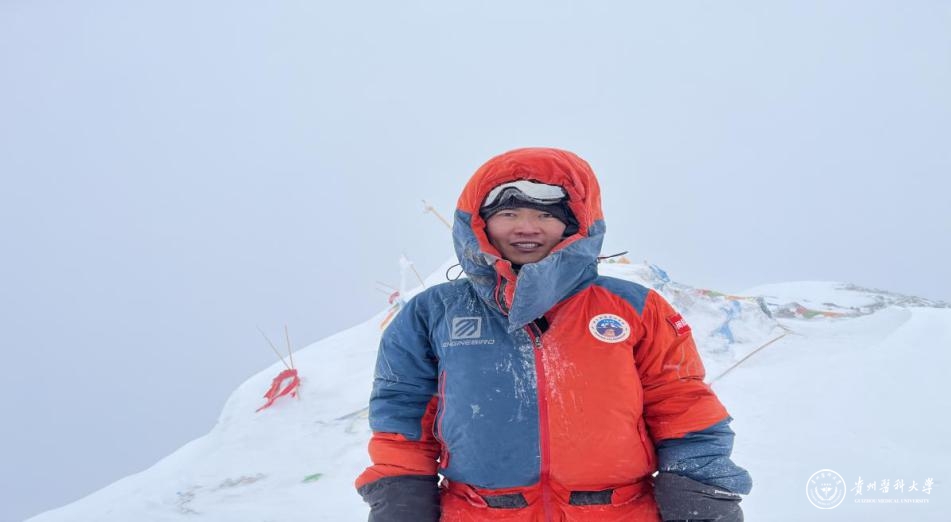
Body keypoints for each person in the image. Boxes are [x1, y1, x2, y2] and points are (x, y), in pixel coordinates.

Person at [355, 148, 751, 521]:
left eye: (545, 214)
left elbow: (680, 402)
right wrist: (401, 496)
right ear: (480, 222)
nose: (526, 227)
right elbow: (402, 413)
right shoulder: (433, 312)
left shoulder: (635, 308)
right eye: (508, 213)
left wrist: (700, 489)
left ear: (576, 224)